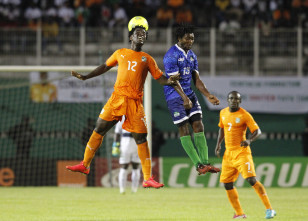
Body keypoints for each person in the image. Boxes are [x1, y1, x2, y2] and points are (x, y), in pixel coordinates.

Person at [66, 16, 181, 188]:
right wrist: (86, 77)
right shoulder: (120, 53)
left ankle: (148, 178)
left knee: (142, 139)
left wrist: (170, 81)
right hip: (117, 99)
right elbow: (104, 67)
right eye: (138, 32)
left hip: (135, 103)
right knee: (99, 128)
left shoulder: (147, 59)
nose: (141, 35)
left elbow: (160, 78)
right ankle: (85, 165)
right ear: (130, 37)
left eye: (144, 33)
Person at [163, 24, 220, 175]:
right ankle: (198, 164)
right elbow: (172, 81)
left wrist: (208, 95)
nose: (190, 40)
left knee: (199, 125)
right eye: (187, 38)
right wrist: (184, 98)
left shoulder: (192, 55)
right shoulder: (171, 55)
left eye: (192, 38)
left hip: (190, 94)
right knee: (184, 128)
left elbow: (197, 80)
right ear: (179, 38)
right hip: (175, 96)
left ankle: (206, 163)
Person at [215, 91, 276, 219]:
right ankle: (239, 213)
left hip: (241, 152)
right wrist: (218, 144)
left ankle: (270, 209)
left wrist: (249, 140)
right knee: (227, 184)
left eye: (236, 99)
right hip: (228, 154)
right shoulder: (223, 113)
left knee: (251, 180)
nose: (233, 101)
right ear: (228, 100)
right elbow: (222, 128)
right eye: (231, 98)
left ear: (240, 101)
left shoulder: (244, 115)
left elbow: (257, 131)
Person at [112, 117, 141, 194]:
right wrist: (115, 145)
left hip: (135, 144)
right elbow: (117, 133)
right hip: (125, 144)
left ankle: (134, 189)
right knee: (125, 166)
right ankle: (122, 189)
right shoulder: (122, 119)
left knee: (135, 166)